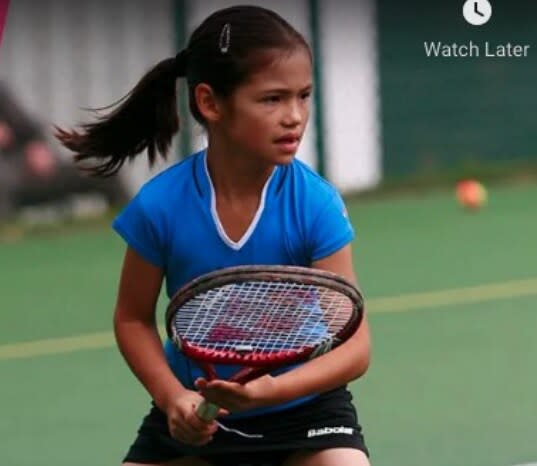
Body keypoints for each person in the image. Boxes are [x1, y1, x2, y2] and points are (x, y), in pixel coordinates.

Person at [56, 6, 371, 466]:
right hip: (195, 417)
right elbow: (132, 319)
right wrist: (171, 399)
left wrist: (270, 391)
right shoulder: (160, 205)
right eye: (272, 99)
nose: (295, 116)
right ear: (210, 103)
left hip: (304, 413)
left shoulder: (314, 204)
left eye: (304, 96)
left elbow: (356, 348)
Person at [0, 80, 128, 223]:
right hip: (6, 181)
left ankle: (133, 227)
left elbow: (28, 130)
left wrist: (37, 147)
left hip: (27, 172)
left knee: (104, 173)